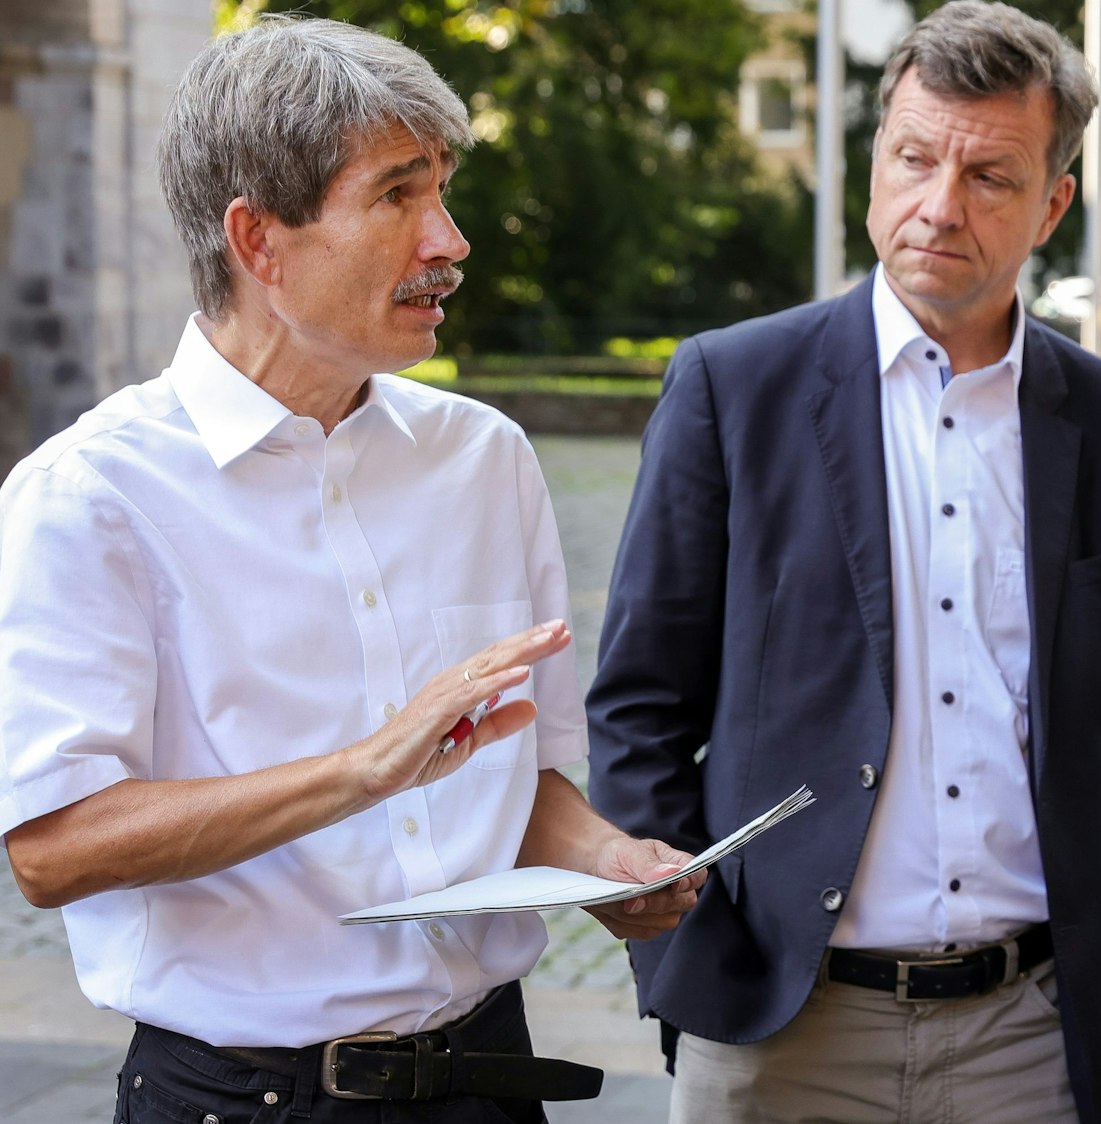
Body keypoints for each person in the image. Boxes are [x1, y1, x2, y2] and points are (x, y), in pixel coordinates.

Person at [0, 17, 702, 1122]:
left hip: (487, 1077)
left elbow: (523, 788)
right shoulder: (89, 495)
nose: (451, 239)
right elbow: (53, 846)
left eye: (443, 191)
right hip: (239, 1099)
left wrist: (609, 860)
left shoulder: (486, 457)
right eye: (398, 196)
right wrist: (366, 767)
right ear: (259, 240)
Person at [585, 3, 1101, 1121]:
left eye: (990, 176)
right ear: (876, 160)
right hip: (781, 1027)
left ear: (1053, 202)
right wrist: (681, 955)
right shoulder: (734, 389)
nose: (939, 205)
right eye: (915, 159)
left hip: (1031, 1032)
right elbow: (639, 705)